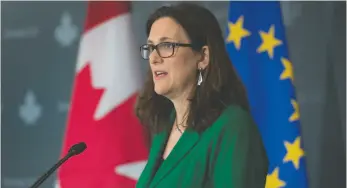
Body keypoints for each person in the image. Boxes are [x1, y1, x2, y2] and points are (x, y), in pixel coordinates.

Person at [135, 3, 268, 188]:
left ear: (203, 57)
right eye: (150, 48)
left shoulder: (232, 128)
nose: (154, 58)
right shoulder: (163, 128)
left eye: (166, 46)